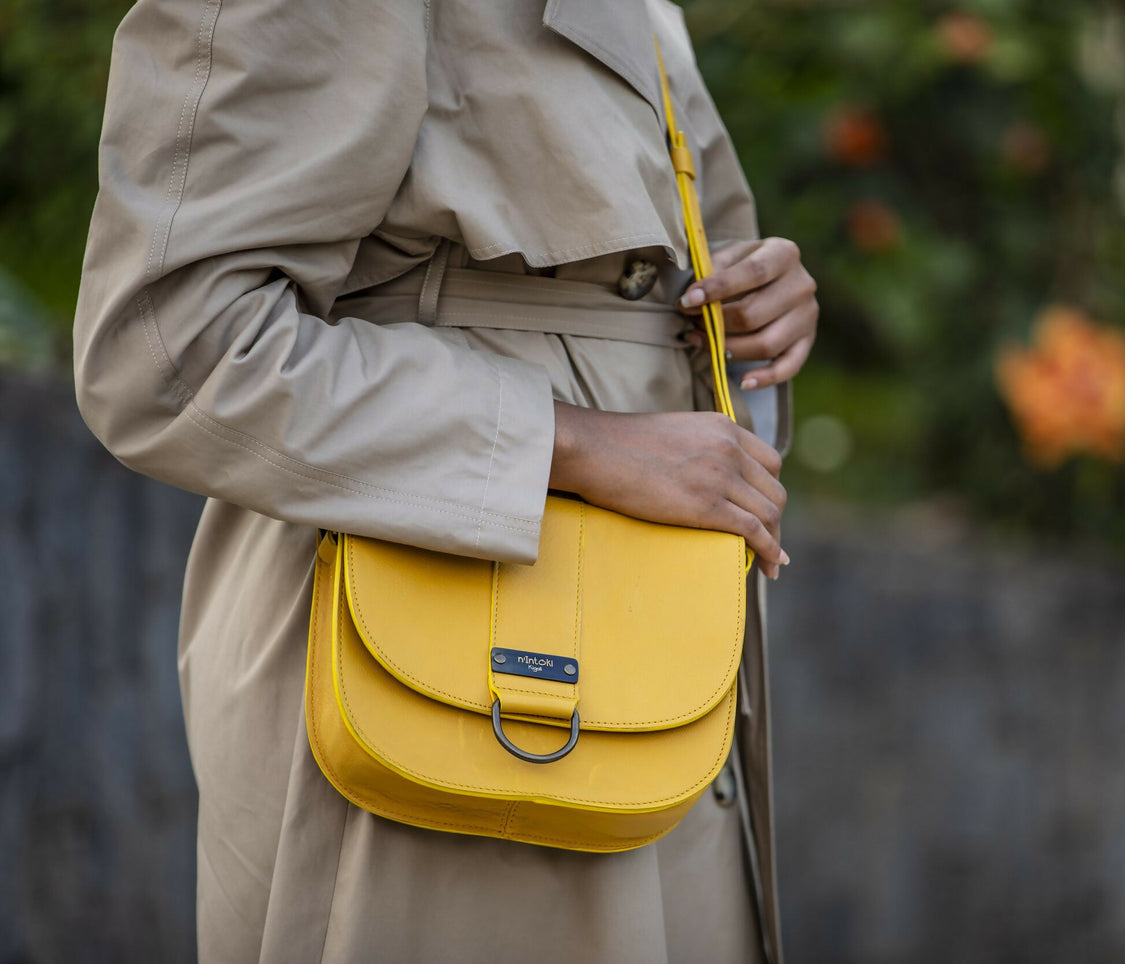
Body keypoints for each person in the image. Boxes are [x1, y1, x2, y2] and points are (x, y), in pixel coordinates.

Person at [72, 0, 818, 961]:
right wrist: (575, 444)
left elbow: (635, 311)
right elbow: (169, 348)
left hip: (646, 662)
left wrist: (746, 316)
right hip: (424, 667)